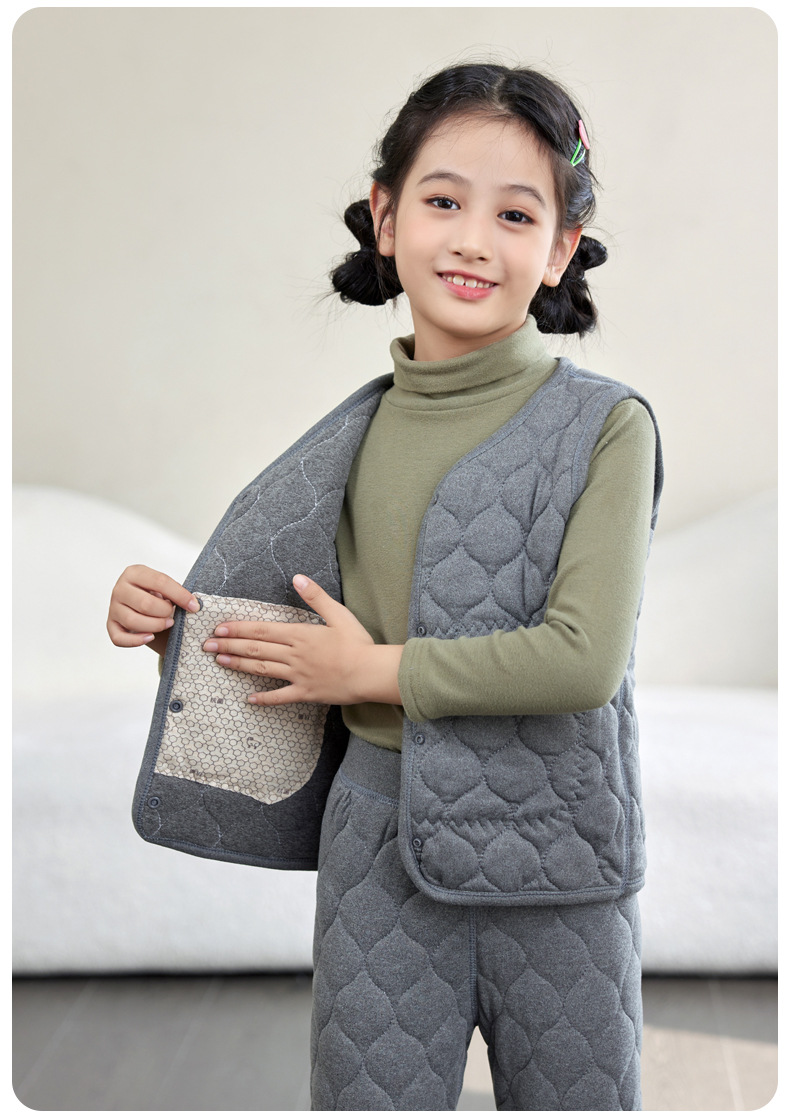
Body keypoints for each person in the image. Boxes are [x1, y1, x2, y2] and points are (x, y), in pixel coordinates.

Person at [108, 61, 662, 1111]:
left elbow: (582, 659)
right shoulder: (345, 442)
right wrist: (170, 631)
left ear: (559, 249)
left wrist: (366, 671)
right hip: (377, 842)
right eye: (443, 201)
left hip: (559, 853)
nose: (472, 239)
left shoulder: (607, 429)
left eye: (515, 215)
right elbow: (302, 638)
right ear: (385, 216)